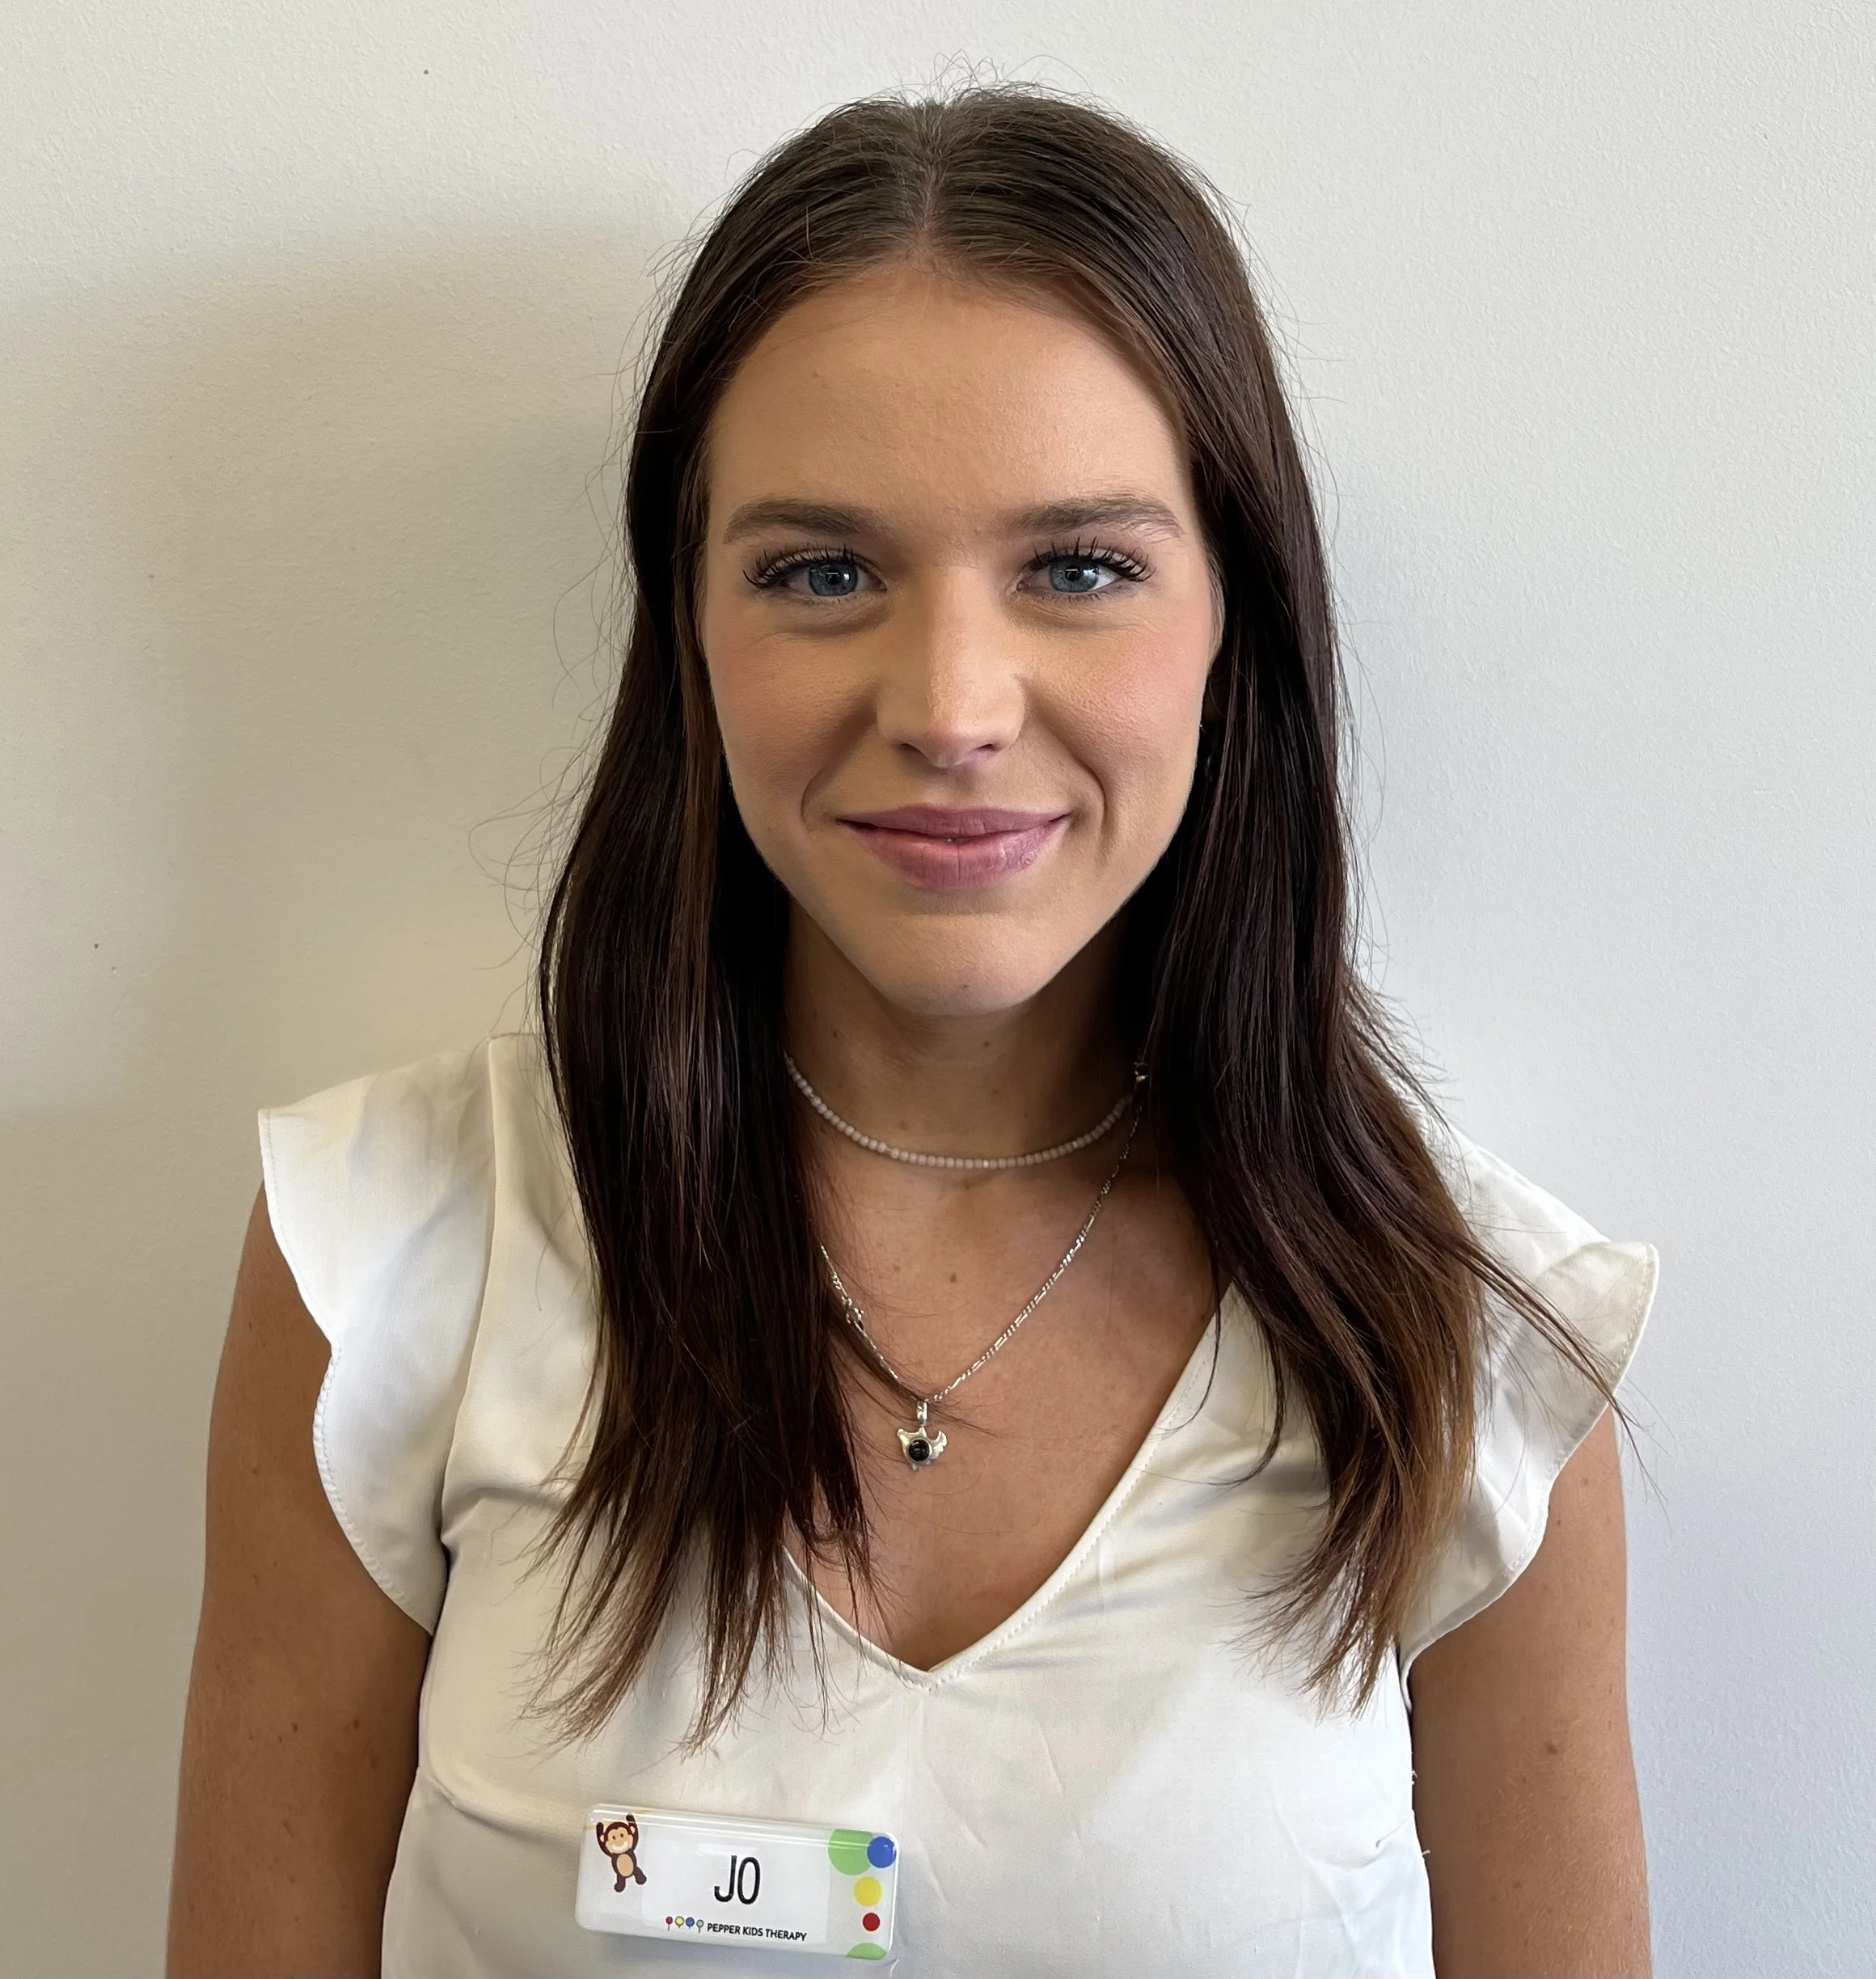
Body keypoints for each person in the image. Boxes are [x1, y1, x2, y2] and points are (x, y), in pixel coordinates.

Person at [166, 85, 1659, 1979]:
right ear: (688, 632)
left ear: (1233, 619)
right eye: (820, 571)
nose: (952, 703)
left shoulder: (1471, 1340)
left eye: (1077, 567)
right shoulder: (382, 1256)